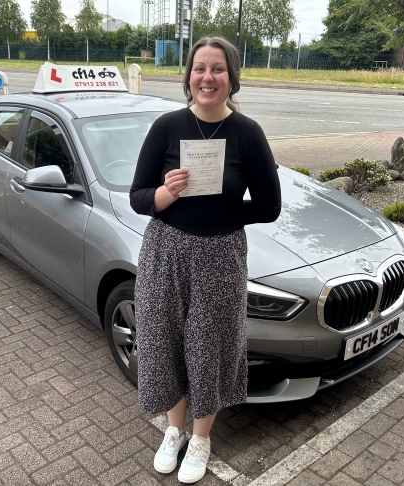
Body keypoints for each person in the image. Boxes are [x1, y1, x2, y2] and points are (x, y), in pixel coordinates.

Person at [129, 36, 282, 484]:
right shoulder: (166, 126)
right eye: (199, 68)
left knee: (208, 348)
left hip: (221, 256)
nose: (207, 78)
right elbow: (138, 196)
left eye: (218, 69)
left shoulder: (248, 133)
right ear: (188, 76)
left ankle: (201, 438)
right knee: (163, 340)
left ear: (232, 78)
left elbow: (269, 206)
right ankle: (174, 429)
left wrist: (226, 209)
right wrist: (164, 193)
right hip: (166, 249)